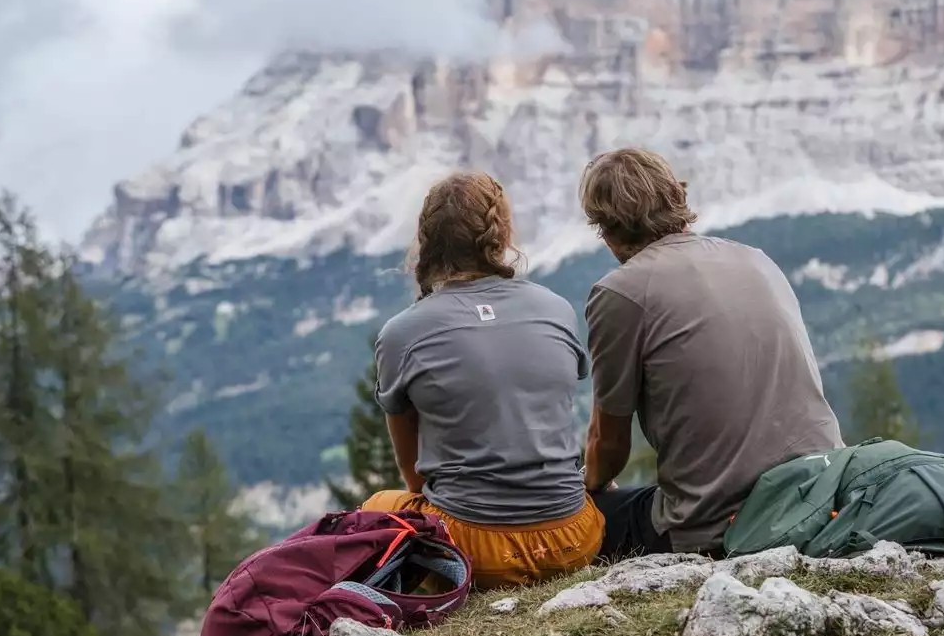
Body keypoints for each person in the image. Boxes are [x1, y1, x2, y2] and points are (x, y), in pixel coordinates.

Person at [579, 148, 844, 559]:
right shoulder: (757, 260)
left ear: (607, 230)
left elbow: (608, 445)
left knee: (578, 519)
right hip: (823, 495)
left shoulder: (621, 292)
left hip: (717, 527)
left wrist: (588, 485)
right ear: (677, 198)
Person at [360, 171, 603, 590]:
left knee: (375, 509)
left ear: (426, 242)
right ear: (502, 233)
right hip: (575, 537)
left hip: (473, 550)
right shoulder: (556, 308)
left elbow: (413, 471)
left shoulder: (401, 333)